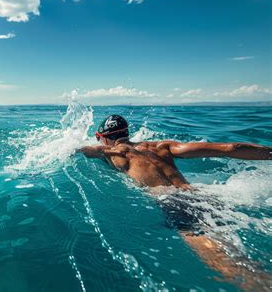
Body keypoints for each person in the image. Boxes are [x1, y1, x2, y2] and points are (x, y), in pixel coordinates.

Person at [78, 114, 271, 290]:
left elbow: (83, 150)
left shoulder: (113, 152)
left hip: (174, 202)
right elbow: (230, 149)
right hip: (203, 195)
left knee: (227, 261)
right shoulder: (162, 146)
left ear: (101, 136)